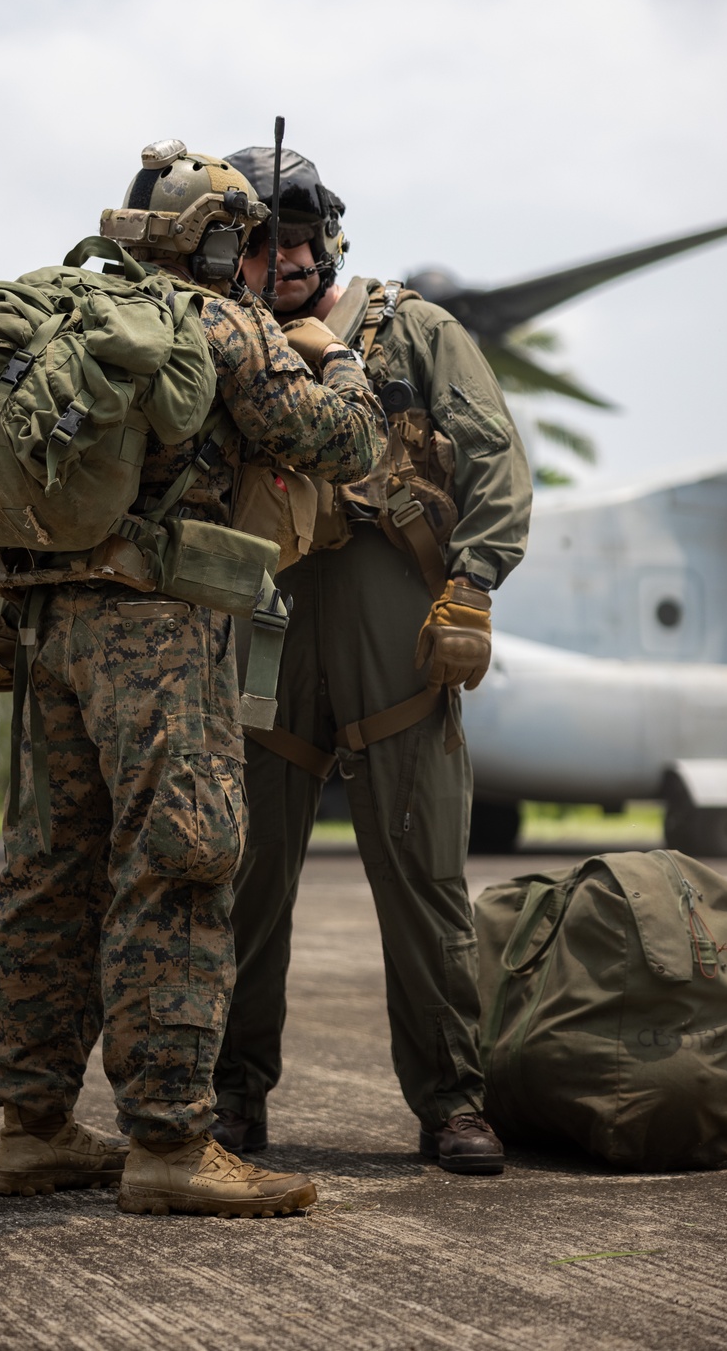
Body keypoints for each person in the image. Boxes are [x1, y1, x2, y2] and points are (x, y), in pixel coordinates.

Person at [0, 140, 387, 1217]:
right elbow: (342, 440)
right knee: (182, 861)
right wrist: (333, 355)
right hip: (157, 628)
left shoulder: (73, 309)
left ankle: (32, 1127)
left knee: (50, 870)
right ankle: (169, 1142)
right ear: (217, 240)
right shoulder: (225, 322)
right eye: (244, 238)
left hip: (43, 616)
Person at [211, 146, 533, 1175]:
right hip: (267, 630)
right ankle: (228, 1100)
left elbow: (493, 456)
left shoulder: (413, 329)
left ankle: (450, 1102)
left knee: (425, 878)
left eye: (299, 238)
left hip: (398, 637)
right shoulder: (218, 344)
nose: (286, 258)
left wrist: (472, 583)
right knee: (244, 879)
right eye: (262, 243)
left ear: (327, 237)